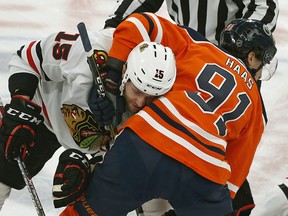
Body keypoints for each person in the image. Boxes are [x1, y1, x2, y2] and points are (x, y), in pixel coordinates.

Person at [57, 13, 277, 216]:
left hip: (145, 141)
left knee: (86, 212)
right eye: (262, 61)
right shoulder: (256, 103)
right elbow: (235, 172)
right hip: (204, 169)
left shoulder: (197, 44)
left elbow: (138, 23)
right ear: (251, 57)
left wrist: (114, 69)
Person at [0, 25, 177, 211]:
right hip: (47, 114)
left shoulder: (167, 103)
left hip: (102, 143)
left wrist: (89, 165)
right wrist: (21, 105)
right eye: (138, 91)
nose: (141, 102)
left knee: (153, 196)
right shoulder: (87, 52)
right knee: (3, 173)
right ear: (125, 73)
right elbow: (28, 58)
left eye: (151, 97)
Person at [104, 0, 279, 44]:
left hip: (230, 55)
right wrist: (113, 27)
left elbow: (265, 7)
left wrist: (239, 47)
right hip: (185, 50)